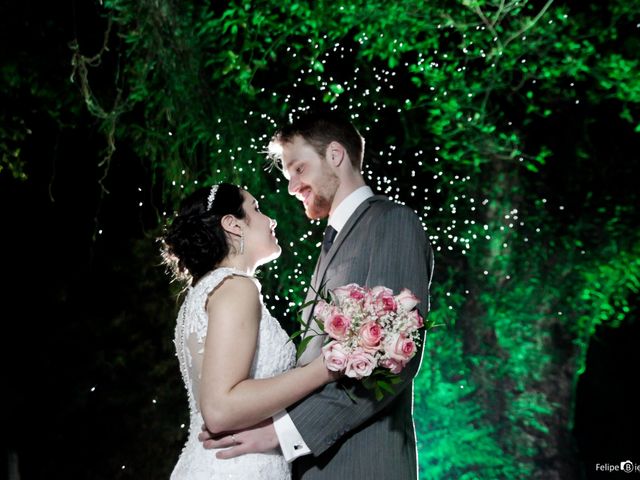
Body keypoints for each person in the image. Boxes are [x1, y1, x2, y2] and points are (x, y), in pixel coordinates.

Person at [200, 113, 434, 479]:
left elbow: (392, 362)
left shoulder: (391, 222)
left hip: (364, 465)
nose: (292, 186)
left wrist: (282, 433)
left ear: (336, 155)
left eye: (298, 168)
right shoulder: (331, 244)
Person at [161, 183, 337, 479]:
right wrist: (326, 368)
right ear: (232, 224)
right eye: (256, 209)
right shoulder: (236, 287)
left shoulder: (205, 291)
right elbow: (220, 408)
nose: (271, 219)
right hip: (237, 468)